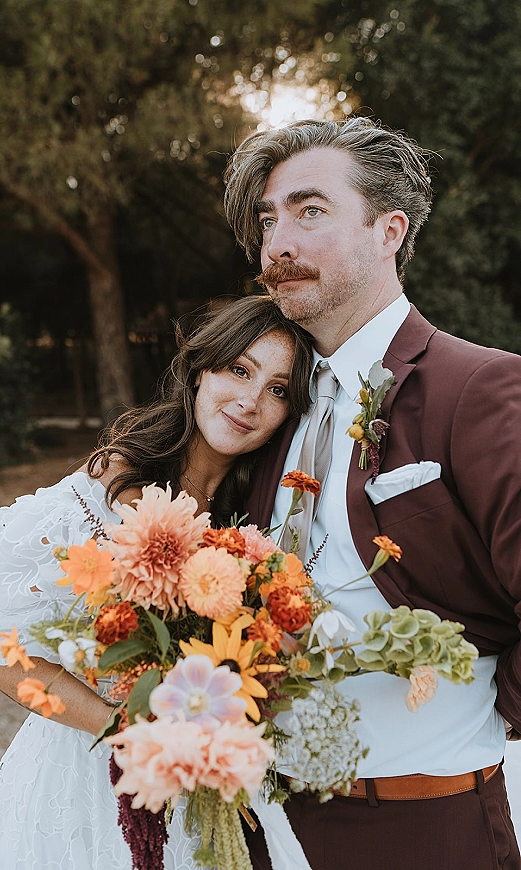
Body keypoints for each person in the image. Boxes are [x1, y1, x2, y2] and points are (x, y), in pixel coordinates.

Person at [223, 117, 521, 870]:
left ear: (390, 230)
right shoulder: (267, 405)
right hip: (266, 822)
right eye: (268, 219)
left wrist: (482, 724)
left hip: (428, 820)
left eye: (309, 211)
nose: (277, 243)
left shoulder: (478, 386)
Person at [0, 294, 313, 870]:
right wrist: (127, 732)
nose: (250, 400)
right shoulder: (105, 495)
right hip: (83, 781)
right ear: (198, 370)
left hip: (199, 792)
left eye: (278, 389)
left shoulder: (254, 522)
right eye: (238, 369)